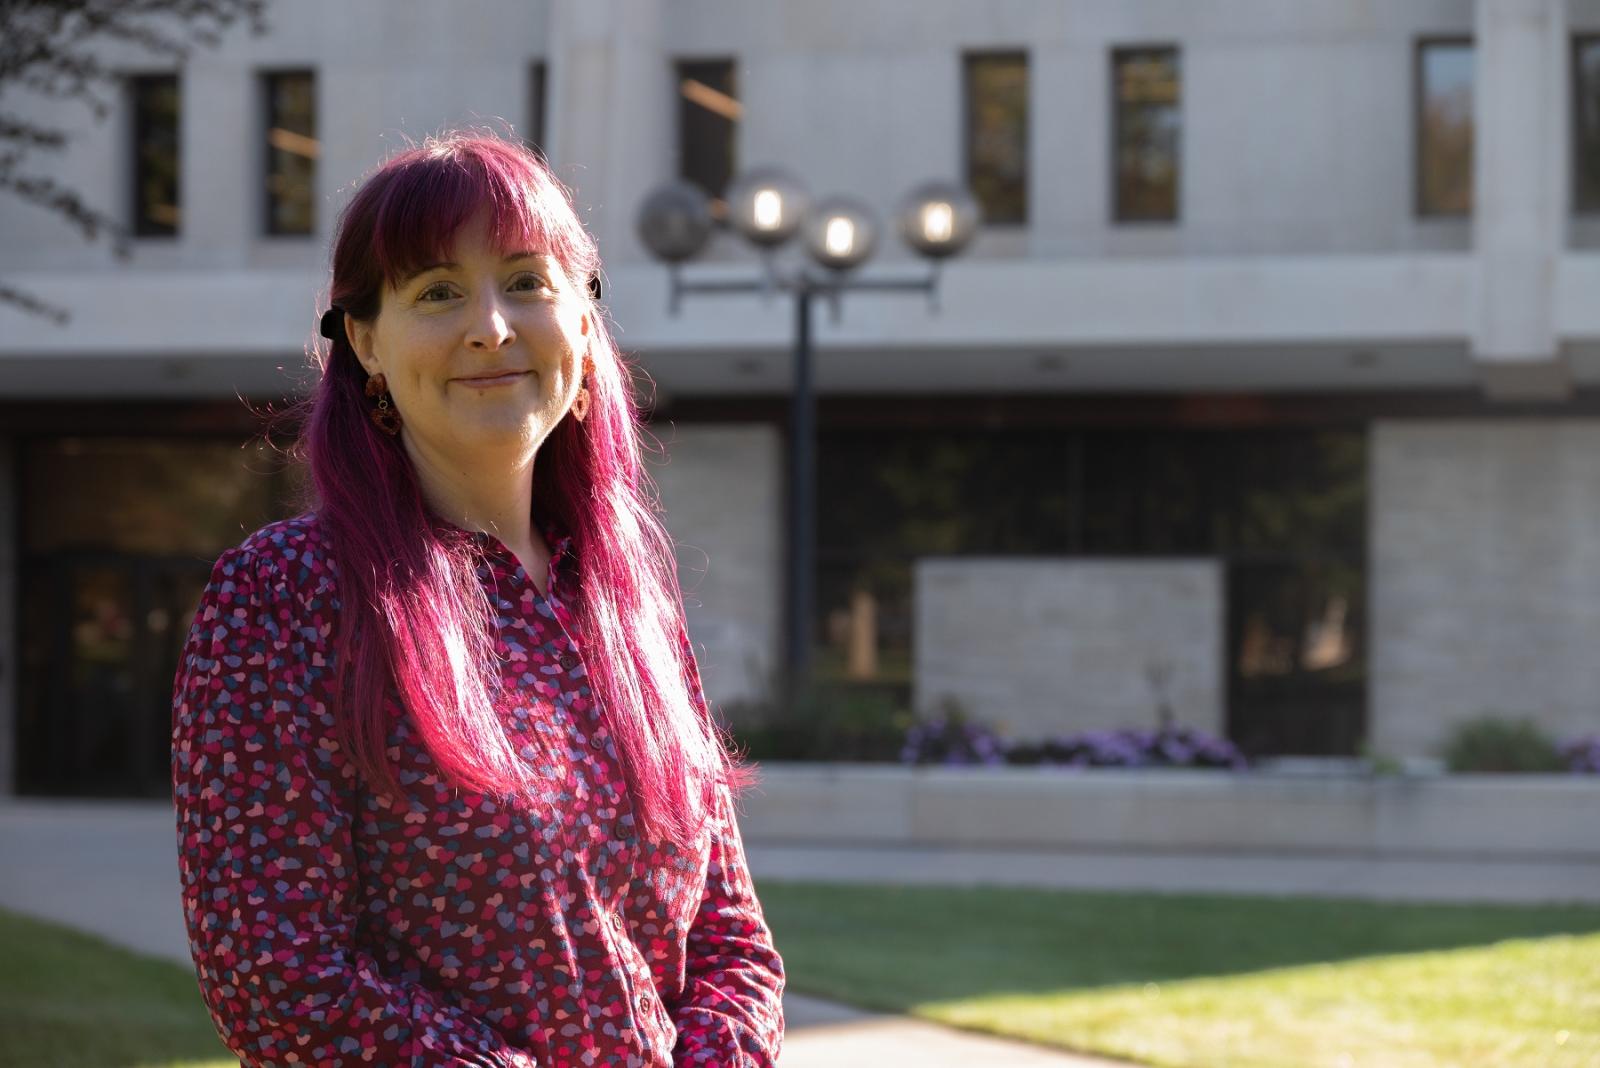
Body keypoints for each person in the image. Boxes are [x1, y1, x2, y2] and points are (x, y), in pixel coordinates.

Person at [170, 130, 785, 1067]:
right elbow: (274, 971)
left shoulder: (627, 604)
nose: (492, 326)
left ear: (583, 318)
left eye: (529, 281)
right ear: (366, 342)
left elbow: (732, 941)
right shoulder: (284, 599)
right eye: (437, 292)